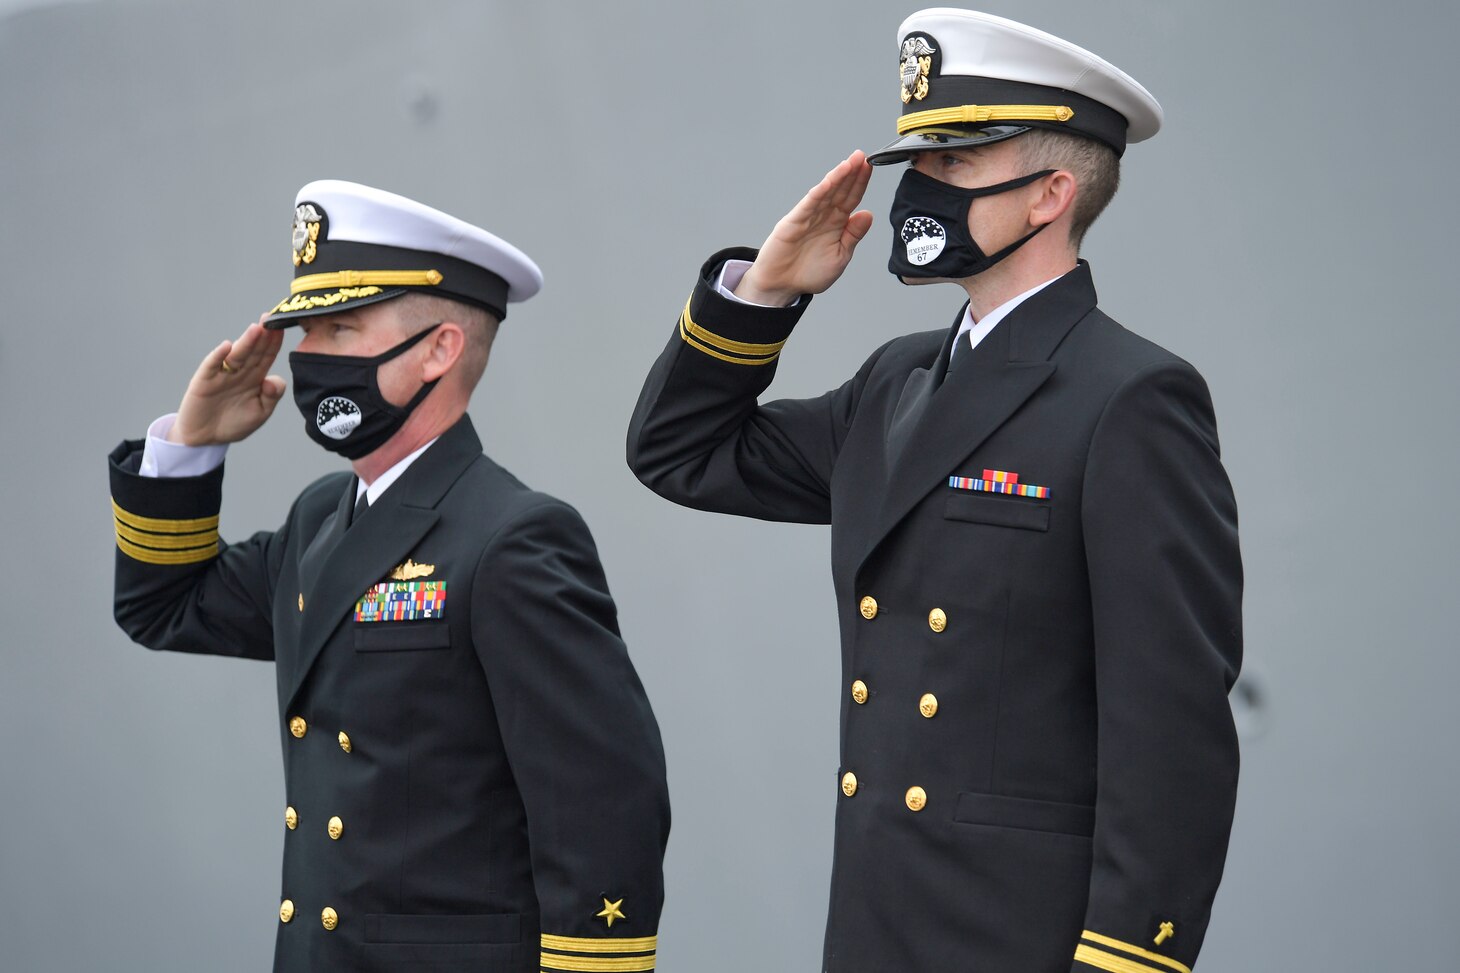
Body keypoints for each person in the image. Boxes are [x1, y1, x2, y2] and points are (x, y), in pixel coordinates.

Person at [627, 8, 1240, 973]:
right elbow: (682, 451)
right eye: (918, 161)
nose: (917, 189)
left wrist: (1126, 960)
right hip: (877, 925)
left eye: (954, 164)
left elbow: (1169, 727)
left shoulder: (1130, 398)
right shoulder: (896, 382)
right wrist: (765, 291)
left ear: (1048, 195)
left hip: (1021, 939)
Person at [110, 180, 669, 973]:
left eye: (342, 328)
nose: (308, 357)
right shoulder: (319, 519)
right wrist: (193, 444)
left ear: (439, 348)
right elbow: (165, 605)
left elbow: (605, 808)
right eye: (307, 331)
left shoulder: (512, 537)